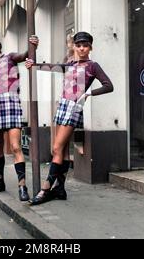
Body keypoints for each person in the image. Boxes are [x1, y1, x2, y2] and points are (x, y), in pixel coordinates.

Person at [25, 31, 114, 205]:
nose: (82, 48)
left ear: (90, 48)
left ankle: (45, 189)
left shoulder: (92, 65)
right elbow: (52, 67)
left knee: (56, 148)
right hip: (63, 105)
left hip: (74, 107)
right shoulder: (70, 63)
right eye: (79, 45)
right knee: (62, 150)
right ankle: (60, 189)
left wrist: (88, 93)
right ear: (74, 46)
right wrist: (33, 64)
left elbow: (109, 86)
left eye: (85, 45)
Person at [0, 31, 38, 202]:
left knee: (15, 146)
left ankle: (22, 186)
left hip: (11, 104)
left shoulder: (10, 58)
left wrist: (32, 45)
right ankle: (0, 181)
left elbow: (24, 55)